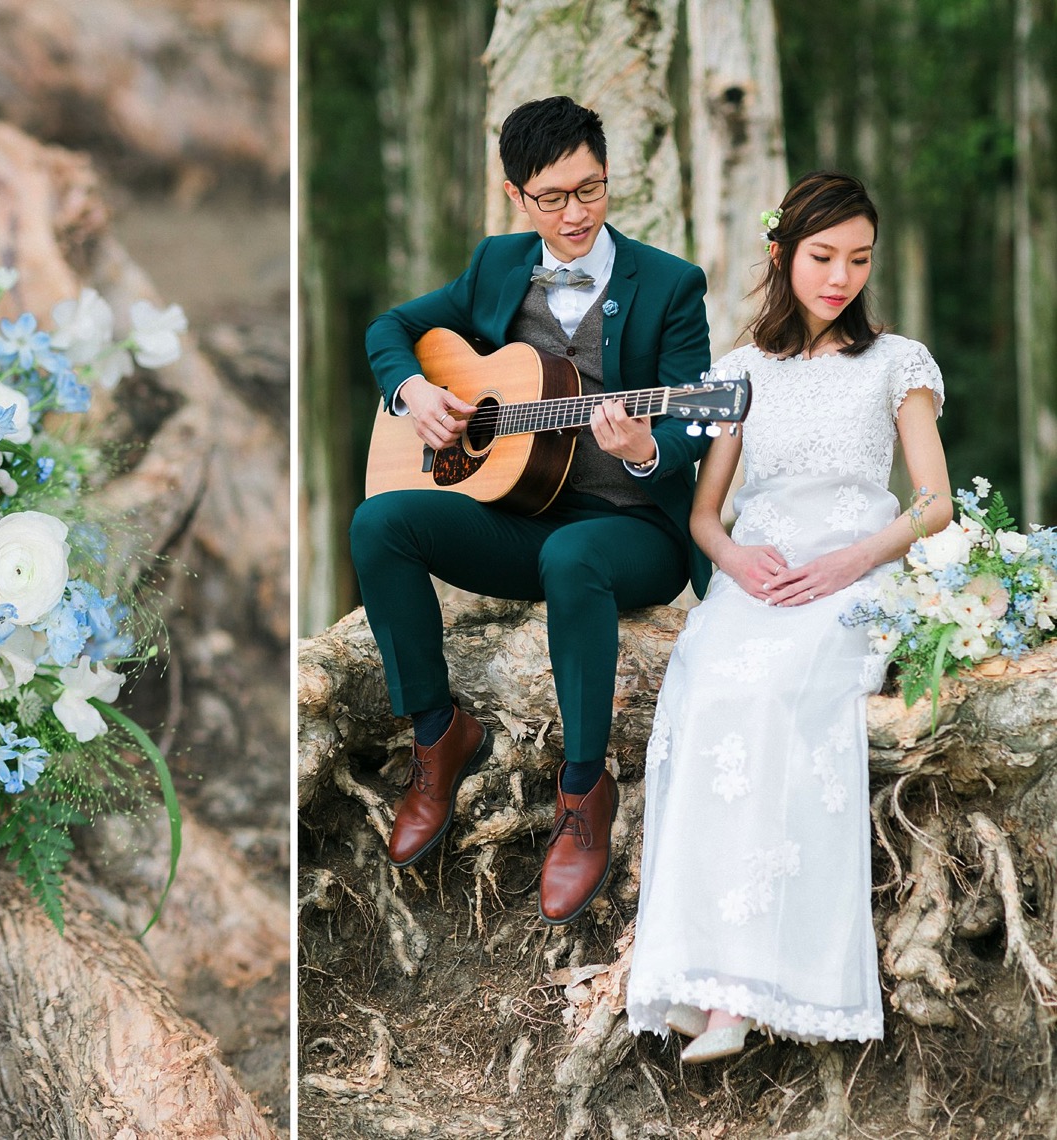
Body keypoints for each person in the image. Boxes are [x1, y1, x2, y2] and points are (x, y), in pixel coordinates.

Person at [352, 96, 714, 925]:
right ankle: (438, 734)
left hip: (632, 533)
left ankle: (585, 794)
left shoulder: (669, 284)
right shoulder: (496, 264)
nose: (577, 213)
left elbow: (694, 418)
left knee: (575, 557)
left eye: (591, 189)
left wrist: (645, 449)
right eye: (553, 198)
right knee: (379, 523)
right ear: (517, 196)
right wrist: (412, 390)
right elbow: (392, 328)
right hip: (521, 517)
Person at [624, 170, 953, 1062]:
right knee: (705, 697)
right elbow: (705, 516)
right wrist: (734, 559)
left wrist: (853, 557)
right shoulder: (737, 373)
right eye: (821, 257)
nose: (839, 276)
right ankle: (691, 971)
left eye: (858, 259)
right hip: (759, 575)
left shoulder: (897, 362)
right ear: (782, 255)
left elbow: (935, 504)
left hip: (855, 569)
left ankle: (744, 990)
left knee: (777, 696)